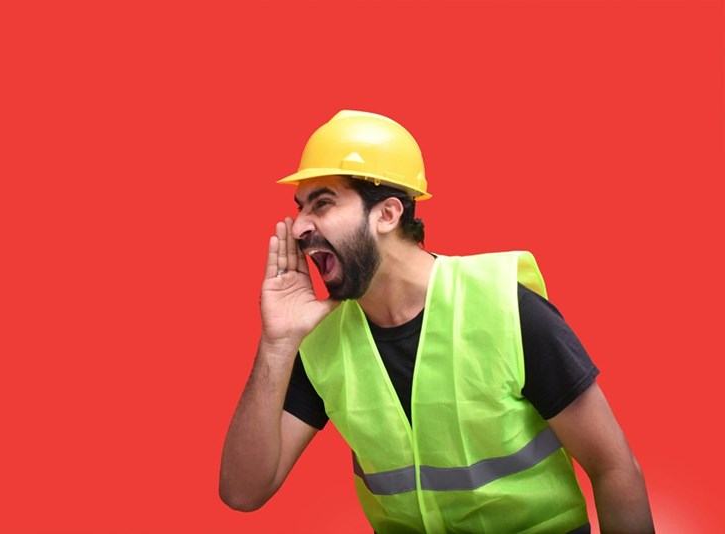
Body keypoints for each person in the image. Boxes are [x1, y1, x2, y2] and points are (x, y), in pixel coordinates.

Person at [219, 110, 654, 533]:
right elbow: (243, 491)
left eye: (323, 203)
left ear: (387, 214)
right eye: (300, 207)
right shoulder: (320, 342)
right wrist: (277, 344)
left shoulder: (504, 305)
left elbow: (614, 468)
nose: (299, 228)